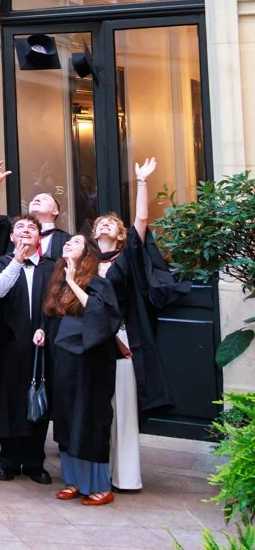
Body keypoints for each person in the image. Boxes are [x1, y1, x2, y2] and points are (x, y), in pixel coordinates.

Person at [91, 157, 172, 493]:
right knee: (96, 408)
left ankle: (125, 476)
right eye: (101, 224)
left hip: (122, 338)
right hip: (90, 341)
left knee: (123, 407)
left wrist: (140, 182)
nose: (106, 226)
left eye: (112, 224)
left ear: (119, 233)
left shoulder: (126, 258)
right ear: (94, 232)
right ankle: (97, 473)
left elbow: (141, 219)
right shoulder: (84, 263)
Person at [40, 233, 120, 506]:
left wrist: (73, 282)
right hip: (64, 361)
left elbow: (98, 314)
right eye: (67, 242)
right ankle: (74, 481)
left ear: (88, 254)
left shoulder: (99, 284)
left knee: (89, 418)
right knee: (66, 418)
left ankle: (99, 486)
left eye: (75, 242)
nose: (67, 244)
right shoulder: (58, 283)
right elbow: (51, 316)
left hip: (91, 363)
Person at [0, 215, 55, 484]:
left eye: (32, 228)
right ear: (12, 237)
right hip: (7, 344)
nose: (26, 231)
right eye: (20, 228)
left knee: (38, 399)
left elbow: (56, 302)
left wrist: (44, 329)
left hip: (39, 346)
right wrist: (16, 260)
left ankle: (35, 462)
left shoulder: (50, 268)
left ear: (39, 237)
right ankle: (9, 460)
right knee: (9, 401)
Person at [0, 160, 67, 259]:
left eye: (44, 199)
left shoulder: (66, 240)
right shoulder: (11, 225)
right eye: (33, 199)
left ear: (55, 211)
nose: (36, 199)